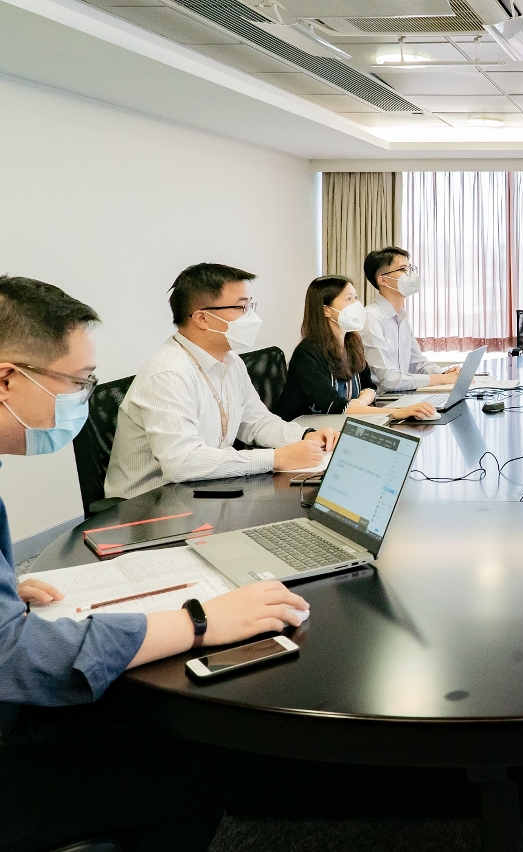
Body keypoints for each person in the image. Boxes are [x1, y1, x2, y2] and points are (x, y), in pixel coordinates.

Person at [0, 275, 311, 852]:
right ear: (7, 380)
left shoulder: (228, 364)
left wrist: (5, 588)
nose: (85, 395)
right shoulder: (171, 370)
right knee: (192, 764)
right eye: (79, 382)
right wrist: (200, 620)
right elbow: (12, 658)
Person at [104, 263, 339, 500]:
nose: (250, 316)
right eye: (240, 307)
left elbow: (256, 422)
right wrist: (276, 458)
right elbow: (182, 462)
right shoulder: (169, 374)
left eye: (250, 306)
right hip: (147, 507)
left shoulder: (231, 361)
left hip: (200, 491)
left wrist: (305, 436)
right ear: (202, 318)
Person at [276, 276, 438, 422]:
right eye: (348, 299)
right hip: (304, 431)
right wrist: (397, 412)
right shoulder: (306, 354)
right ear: (326, 310)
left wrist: (360, 402)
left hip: (340, 422)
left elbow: (369, 386)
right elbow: (333, 405)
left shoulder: (351, 342)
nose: (356, 305)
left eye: (355, 298)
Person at [361, 246, 461, 392]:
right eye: (403, 269)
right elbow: (390, 380)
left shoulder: (401, 317)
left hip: (403, 395)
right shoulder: (370, 318)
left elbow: (417, 364)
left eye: (410, 268)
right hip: (382, 400)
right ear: (383, 280)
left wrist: (446, 373)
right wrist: (442, 379)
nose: (410, 274)